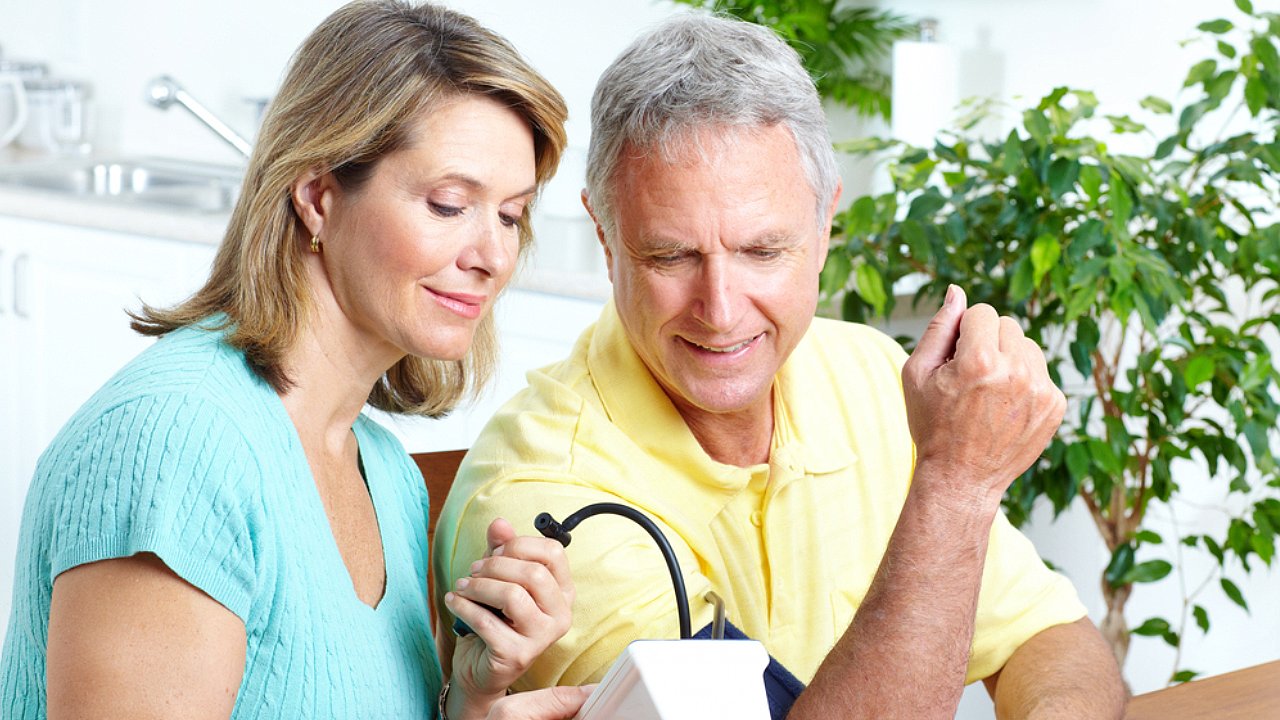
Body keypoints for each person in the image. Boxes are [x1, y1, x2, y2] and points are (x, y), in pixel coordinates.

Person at [433, 12, 1127, 719]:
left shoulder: (871, 375)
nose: (721, 309)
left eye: (763, 251)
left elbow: (1048, 636)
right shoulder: (542, 500)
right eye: (671, 255)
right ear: (606, 240)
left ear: (826, 227)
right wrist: (954, 490)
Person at [0, 2, 591, 718]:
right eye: (447, 205)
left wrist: (470, 696)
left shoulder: (387, 476)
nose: (493, 255)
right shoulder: (175, 450)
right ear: (317, 196)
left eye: (510, 215)